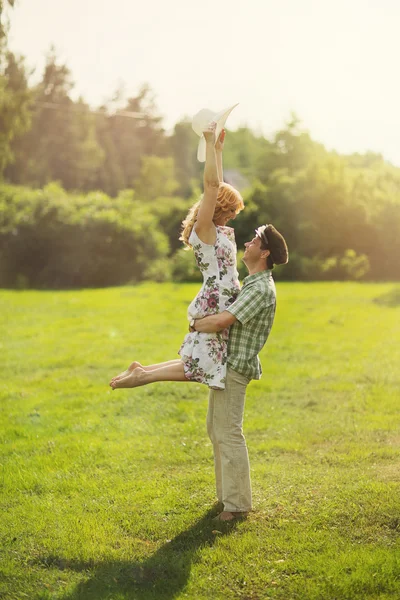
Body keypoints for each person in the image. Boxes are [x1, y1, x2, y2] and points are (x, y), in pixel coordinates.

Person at [110, 121, 244, 391]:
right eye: (231, 211)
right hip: (215, 302)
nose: (232, 216)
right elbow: (212, 186)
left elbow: (217, 186)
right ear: (219, 207)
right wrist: (208, 144)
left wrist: (218, 150)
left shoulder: (216, 230)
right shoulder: (204, 230)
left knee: (202, 360)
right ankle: (143, 376)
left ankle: (142, 370)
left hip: (221, 299)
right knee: (204, 364)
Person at [191, 223, 289, 521]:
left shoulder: (260, 288)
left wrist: (195, 323)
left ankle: (236, 506)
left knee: (229, 433)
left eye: (254, 241)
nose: (247, 243)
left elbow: (223, 321)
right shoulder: (253, 283)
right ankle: (227, 498)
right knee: (216, 429)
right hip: (226, 365)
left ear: (265, 252)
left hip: (234, 368)